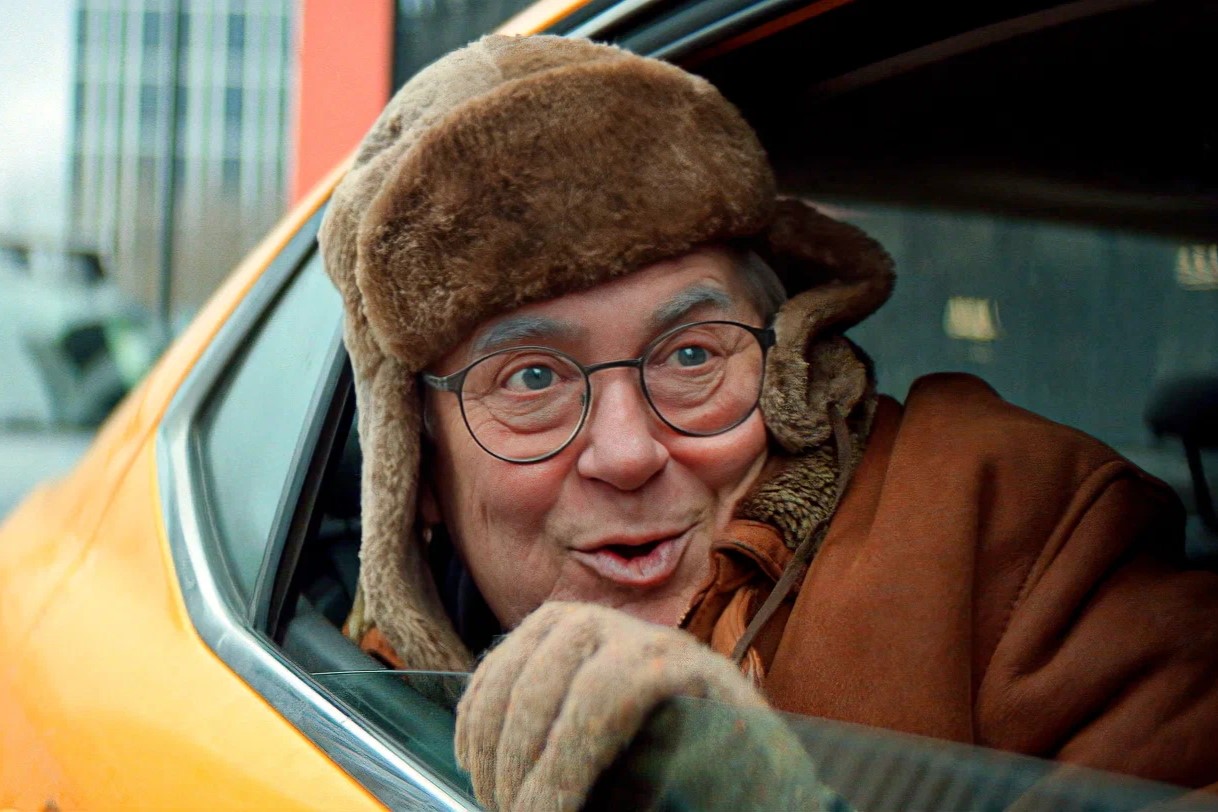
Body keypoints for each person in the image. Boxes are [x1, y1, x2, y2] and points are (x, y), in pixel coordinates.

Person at [318, 34, 1218, 810]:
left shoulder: (1018, 526)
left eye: (690, 356)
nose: (628, 454)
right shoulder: (357, 669)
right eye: (531, 378)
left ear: (786, 367)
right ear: (418, 469)